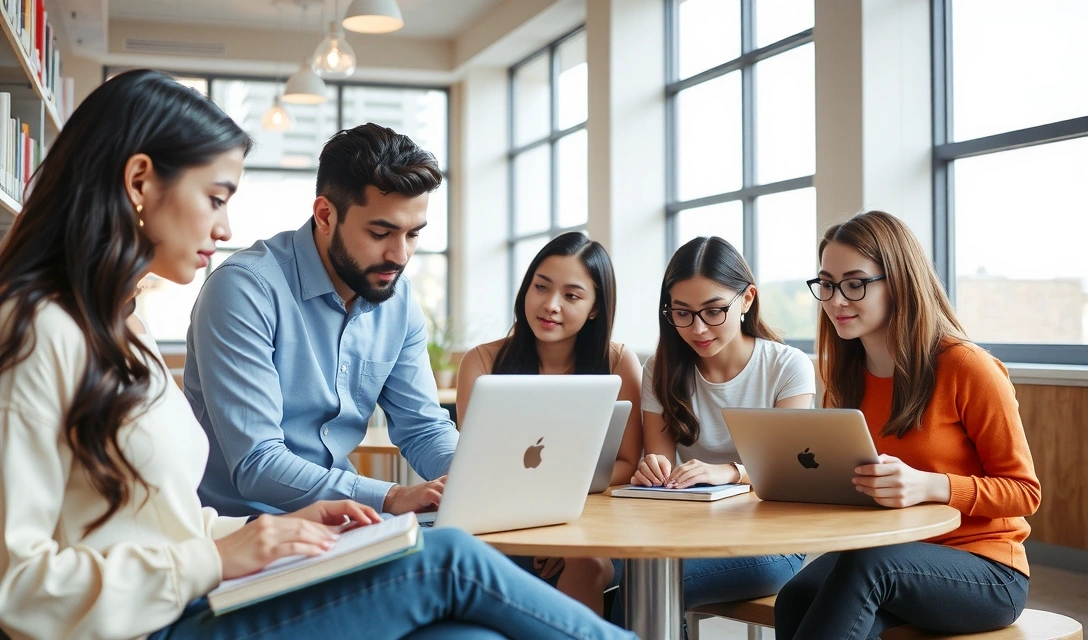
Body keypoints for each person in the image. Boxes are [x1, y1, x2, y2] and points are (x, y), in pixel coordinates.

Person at [0, 69, 638, 640]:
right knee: (450, 562)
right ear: (139, 181)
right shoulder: (41, 333)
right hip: (178, 607)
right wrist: (365, 506)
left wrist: (476, 482)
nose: (223, 228)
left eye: (414, 235)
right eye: (216, 198)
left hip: (258, 558)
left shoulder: (117, 325)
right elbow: (15, 586)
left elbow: (154, 522)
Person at [773, 210, 1040, 639]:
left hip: (988, 570)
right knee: (797, 594)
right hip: (894, 554)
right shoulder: (844, 376)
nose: (836, 300)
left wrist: (930, 486)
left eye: (855, 284)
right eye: (826, 284)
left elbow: (1025, 493)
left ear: (898, 282)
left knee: (868, 567)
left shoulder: (967, 367)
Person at [186, 122, 456, 518]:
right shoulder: (244, 290)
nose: (400, 256)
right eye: (381, 233)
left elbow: (425, 429)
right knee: (460, 566)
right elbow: (257, 462)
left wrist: (474, 479)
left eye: (413, 235)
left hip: (345, 524)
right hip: (246, 530)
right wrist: (391, 496)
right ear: (326, 215)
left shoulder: (398, 300)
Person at [456, 232, 643, 616]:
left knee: (586, 564)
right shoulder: (482, 363)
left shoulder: (619, 363)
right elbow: (478, 468)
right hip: (502, 521)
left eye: (572, 296)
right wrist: (539, 529)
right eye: (541, 287)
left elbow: (627, 464)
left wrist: (564, 531)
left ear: (595, 308)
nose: (551, 305)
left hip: (591, 527)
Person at [631, 236, 813, 615]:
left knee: (644, 590)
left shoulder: (787, 366)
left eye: (713, 311)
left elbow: (790, 474)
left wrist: (729, 472)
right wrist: (653, 470)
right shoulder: (660, 369)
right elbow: (661, 469)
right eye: (682, 312)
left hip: (771, 542)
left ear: (746, 300)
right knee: (596, 570)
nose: (697, 328)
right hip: (688, 532)